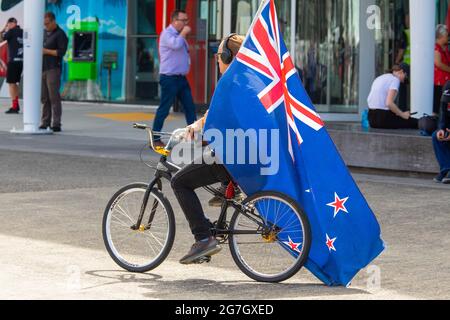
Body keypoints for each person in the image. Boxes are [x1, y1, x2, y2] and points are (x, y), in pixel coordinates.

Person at [171, 34, 245, 265]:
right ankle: (228, 191)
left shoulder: (230, 83)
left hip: (231, 155)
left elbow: (213, 116)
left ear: (227, 56)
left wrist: (193, 128)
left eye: (219, 55)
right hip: (247, 152)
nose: (217, 59)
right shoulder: (247, 81)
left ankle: (203, 238)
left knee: (179, 182)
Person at [152, 10, 197, 148]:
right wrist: (184, 33)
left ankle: (192, 137)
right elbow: (176, 45)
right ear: (174, 20)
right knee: (164, 109)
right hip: (169, 78)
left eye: (186, 21)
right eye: (183, 20)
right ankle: (155, 138)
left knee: (190, 107)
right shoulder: (167, 34)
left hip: (180, 78)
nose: (185, 23)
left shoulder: (178, 35)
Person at [39, 12, 68, 133]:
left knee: (54, 97)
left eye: (47, 24)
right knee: (44, 97)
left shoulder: (61, 34)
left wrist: (46, 51)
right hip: (43, 68)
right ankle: (45, 122)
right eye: (44, 24)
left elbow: (61, 52)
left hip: (53, 69)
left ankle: (56, 123)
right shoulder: (44, 33)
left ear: (53, 21)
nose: (46, 26)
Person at [367, 63, 418, 129]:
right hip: (382, 118)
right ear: (402, 72)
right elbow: (389, 103)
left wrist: (398, 112)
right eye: (405, 77)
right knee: (414, 122)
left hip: (371, 119)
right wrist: (403, 115)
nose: (403, 81)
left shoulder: (381, 77)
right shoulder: (395, 80)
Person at [0, 17, 23, 114]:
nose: (8, 25)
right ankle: (16, 104)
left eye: (8, 23)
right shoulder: (22, 31)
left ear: (12, 23)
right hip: (21, 61)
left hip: (13, 61)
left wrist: (4, 29)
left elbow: (1, 39)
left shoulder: (11, 31)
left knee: (11, 83)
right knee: (15, 83)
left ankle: (14, 106)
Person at [432, 80, 450, 184]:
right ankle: (446, 169)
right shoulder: (447, 86)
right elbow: (443, 114)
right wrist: (441, 129)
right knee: (436, 136)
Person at [434, 24, 450, 117]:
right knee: (438, 104)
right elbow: (438, 63)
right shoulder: (436, 48)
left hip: (446, 81)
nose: (448, 37)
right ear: (440, 36)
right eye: (446, 35)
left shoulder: (445, 48)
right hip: (439, 82)